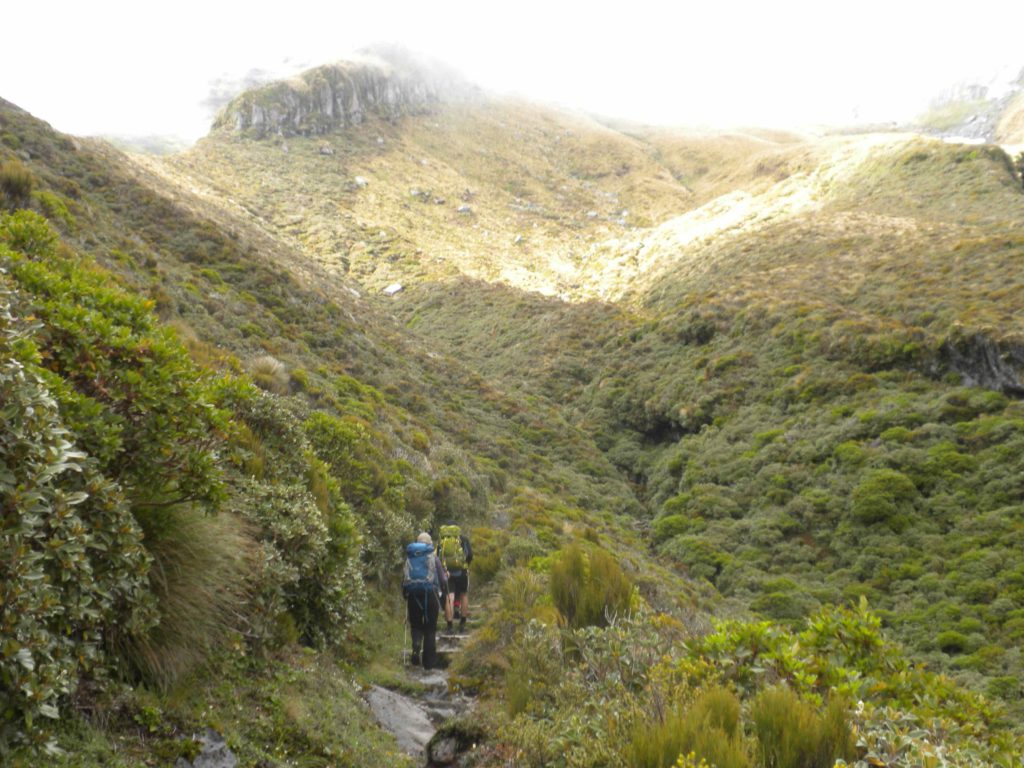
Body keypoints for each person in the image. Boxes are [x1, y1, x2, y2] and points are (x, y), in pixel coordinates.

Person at [403, 532, 448, 668]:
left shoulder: (410, 557)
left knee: (416, 625)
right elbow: (442, 580)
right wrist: (446, 578)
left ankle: (416, 646)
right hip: (431, 595)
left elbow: (404, 579)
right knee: (430, 629)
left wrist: (406, 595)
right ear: (429, 544)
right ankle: (429, 664)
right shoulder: (434, 558)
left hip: (413, 596)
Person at [438, 524, 472, 632]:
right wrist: (466, 565)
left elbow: (437, 557)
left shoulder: (442, 540)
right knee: (464, 595)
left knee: (449, 597)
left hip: (447, 572)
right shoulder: (463, 539)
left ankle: (449, 625)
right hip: (462, 572)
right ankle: (462, 624)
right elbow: (470, 555)